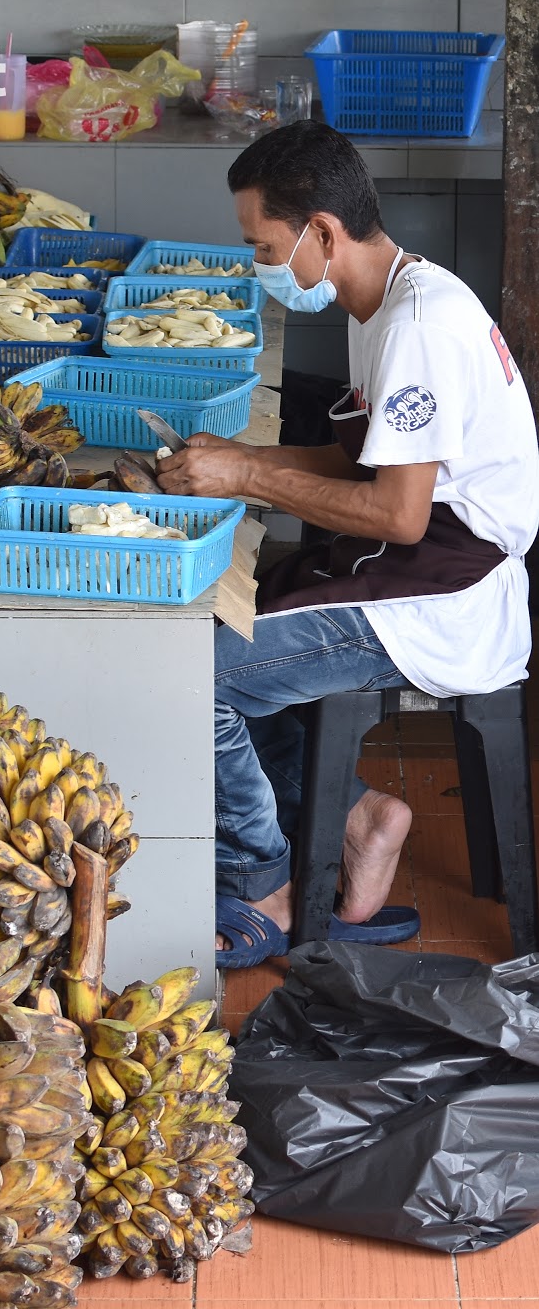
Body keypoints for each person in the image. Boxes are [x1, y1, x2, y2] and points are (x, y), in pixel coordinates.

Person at [155, 122, 539, 967]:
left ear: (322, 233)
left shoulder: (419, 328)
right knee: (234, 619)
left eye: (264, 247)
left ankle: (261, 880)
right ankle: (364, 819)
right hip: (413, 560)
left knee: (191, 677)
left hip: (438, 591)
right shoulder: (391, 297)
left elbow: (398, 515)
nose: (260, 266)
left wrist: (244, 479)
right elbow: (355, 459)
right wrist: (239, 459)